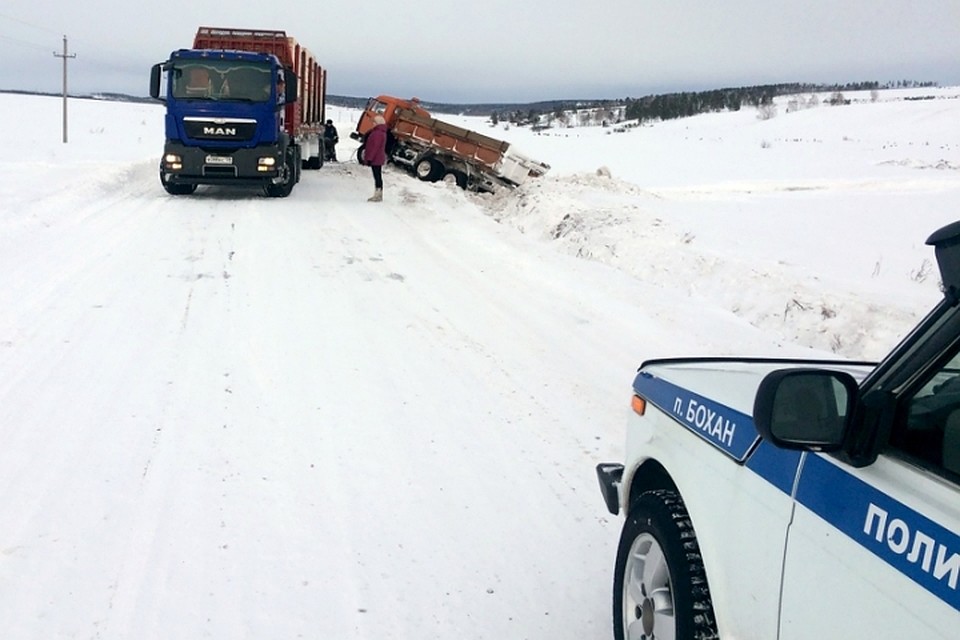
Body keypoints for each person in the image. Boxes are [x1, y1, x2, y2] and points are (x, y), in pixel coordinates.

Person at [363, 114, 388, 202]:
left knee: (377, 176)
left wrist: (369, 158)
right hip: (378, 157)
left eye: (374, 122)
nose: (373, 123)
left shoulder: (377, 133)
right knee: (378, 176)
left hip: (376, 158)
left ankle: (378, 195)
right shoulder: (381, 132)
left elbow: (374, 147)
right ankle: (378, 194)